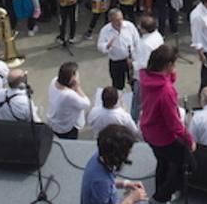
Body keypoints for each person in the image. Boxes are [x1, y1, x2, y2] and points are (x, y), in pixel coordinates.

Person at [139, 44, 195, 204]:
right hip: (163, 136)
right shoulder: (166, 91)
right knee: (189, 165)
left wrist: (171, 76)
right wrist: (189, 140)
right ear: (169, 65)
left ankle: (160, 192)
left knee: (163, 162)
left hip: (149, 131)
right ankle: (160, 197)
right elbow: (173, 124)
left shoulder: (147, 79)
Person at [80, 124, 148, 204]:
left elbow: (109, 182)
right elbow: (104, 184)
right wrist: (131, 199)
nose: (130, 152)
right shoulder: (100, 182)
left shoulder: (99, 156)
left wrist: (126, 184)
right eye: (127, 150)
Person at [47, 61, 92, 140]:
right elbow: (86, 103)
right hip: (66, 128)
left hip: (54, 122)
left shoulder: (54, 81)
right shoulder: (68, 95)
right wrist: (77, 87)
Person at [97, 9, 140, 91]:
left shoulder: (129, 26)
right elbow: (100, 46)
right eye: (117, 20)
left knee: (135, 85)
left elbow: (137, 42)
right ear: (110, 20)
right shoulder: (105, 30)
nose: (120, 22)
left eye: (121, 19)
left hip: (130, 60)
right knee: (117, 86)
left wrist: (135, 57)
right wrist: (108, 45)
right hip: (116, 62)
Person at [131, 15, 164, 122]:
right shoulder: (157, 36)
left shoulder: (144, 44)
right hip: (156, 73)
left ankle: (134, 122)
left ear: (144, 29)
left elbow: (144, 64)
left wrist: (132, 62)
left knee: (137, 102)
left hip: (144, 77)